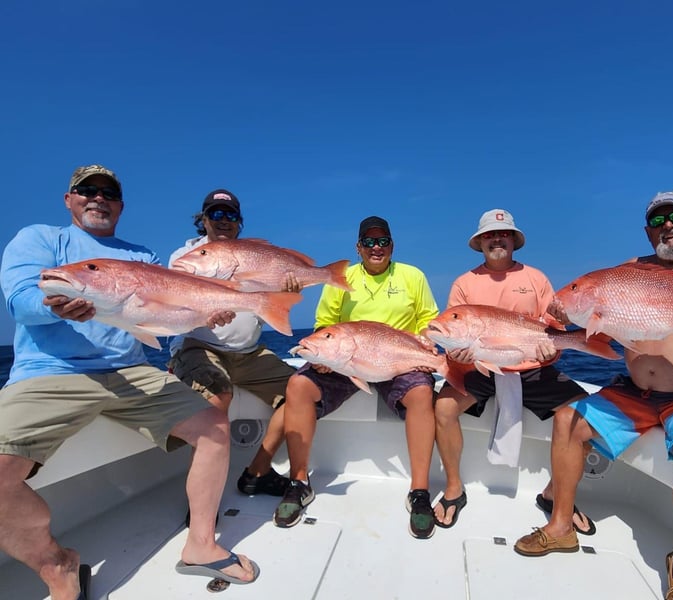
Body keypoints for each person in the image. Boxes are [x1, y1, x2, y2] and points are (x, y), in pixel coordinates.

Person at [0, 165, 259, 599]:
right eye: (87, 190)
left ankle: (200, 544)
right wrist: (53, 307)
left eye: (109, 193)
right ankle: (56, 564)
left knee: (215, 425)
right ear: (69, 199)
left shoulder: (142, 257)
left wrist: (206, 313)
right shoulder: (41, 239)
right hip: (51, 371)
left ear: (120, 205)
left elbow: (165, 316)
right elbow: (20, 300)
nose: (98, 198)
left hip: (130, 371)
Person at [514, 192, 673, 600]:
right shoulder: (627, 271)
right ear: (647, 232)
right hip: (636, 392)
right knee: (568, 420)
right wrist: (563, 327)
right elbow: (606, 331)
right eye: (658, 221)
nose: (668, 226)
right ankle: (561, 526)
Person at [273, 216, 440, 539]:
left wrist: (426, 346)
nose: (376, 248)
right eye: (369, 242)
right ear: (358, 247)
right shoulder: (341, 278)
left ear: (392, 245)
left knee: (421, 394)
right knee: (298, 385)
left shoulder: (413, 276)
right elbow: (325, 323)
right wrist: (324, 355)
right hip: (346, 362)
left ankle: (419, 492)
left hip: (397, 360)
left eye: (383, 241)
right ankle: (299, 481)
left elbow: (427, 320)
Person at [432, 208, 595, 533]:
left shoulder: (536, 278)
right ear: (480, 242)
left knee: (588, 418)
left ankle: (555, 493)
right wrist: (457, 354)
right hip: (481, 368)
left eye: (503, 233)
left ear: (513, 240)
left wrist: (552, 352)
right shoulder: (464, 284)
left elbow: (554, 327)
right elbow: (451, 333)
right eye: (490, 235)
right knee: (443, 408)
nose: (497, 239)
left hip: (531, 368)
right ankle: (453, 487)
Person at [168, 189, 297, 498]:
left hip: (250, 353)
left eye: (230, 215)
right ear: (203, 220)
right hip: (200, 347)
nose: (223, 220)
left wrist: (287, 292)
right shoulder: (186, 259)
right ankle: (202, 505)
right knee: (216, 400)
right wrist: (203, 316)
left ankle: (258, 471)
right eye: (215, 213)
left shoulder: (256, 257)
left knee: (302, 393)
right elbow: (176, 308)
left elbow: (275, 304)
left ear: (239, 221)